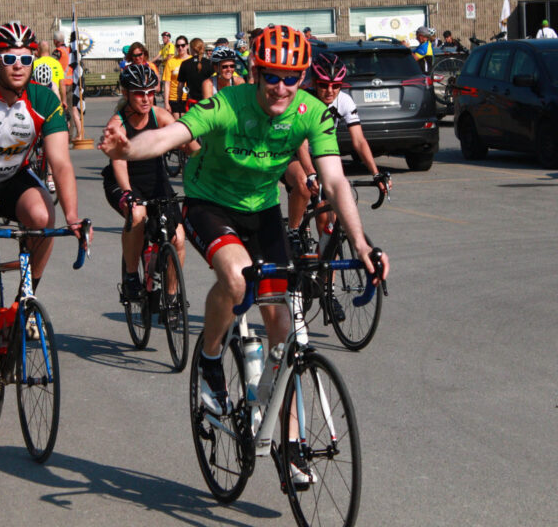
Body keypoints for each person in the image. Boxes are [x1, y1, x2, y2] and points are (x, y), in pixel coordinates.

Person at [98, 26, 388, 462]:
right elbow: (169, 136)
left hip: (262, 211)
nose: (281, 87)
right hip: (209, 204)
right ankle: (211, 357)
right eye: (272, 75)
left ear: (303, 77)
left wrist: (362, 246)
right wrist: (127, 151)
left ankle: (286, 436)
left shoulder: (311, 112)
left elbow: (334, 180)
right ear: (255, 71)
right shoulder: (227, 104)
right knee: (236, 278)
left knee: (282, 330)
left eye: (292, 77)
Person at [0, 22, 89, 422]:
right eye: (9, 58)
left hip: (12, 178)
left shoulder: (44, 99)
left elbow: (60, 162)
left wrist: (74, 216)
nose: (18, 65)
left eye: (26, 58)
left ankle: (26, 299)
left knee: (45, 219)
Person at [102, 63, 186, 311]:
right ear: (126, 93)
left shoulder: (160, 116)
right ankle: (130, 277)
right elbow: (119, 162)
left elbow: (185, 140)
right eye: (140, 93)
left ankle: (171, 298)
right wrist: (128, 193)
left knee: (178, 238)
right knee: (137, 215)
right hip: (124, 182)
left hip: (157, 183)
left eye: (151, 92)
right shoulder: (117, 123)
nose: (147, 98)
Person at [285, 51, 390, 235]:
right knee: (303, 183)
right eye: (324, 85)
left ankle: (327, 256)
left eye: (336, 86)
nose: (330, 91)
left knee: (327, 221)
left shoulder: (344, 101)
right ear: (315, 83)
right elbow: (301, 143)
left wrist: (376, 173)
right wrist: (310, 174)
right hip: (292, 152)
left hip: (321, 153)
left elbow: (359, 141)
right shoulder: (304, 101)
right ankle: (293, 232)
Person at [176, 38, 213, 111]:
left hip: (192, 103)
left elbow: (181, 85)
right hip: (208, 101)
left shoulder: (185, 64)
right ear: (202, 48)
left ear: (191, 49)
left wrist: (179, 98)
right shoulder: (209, 63)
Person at [161, 35, 190, 117]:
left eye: (183, 45)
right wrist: (166, 103)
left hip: (188, 97)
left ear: (187, 46)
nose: (180, 48)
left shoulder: (192, 60)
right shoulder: (171, 62)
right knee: (176, 125)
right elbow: (167, 84)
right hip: (174, 98)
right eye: (178, 46)